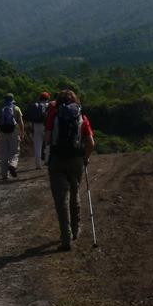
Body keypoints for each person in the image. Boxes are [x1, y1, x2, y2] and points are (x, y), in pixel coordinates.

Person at [44, 89, 95, 251]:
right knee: (74, 193)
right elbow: (91, 143)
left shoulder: (54, 115)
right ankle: (76, 229)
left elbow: (46, 139)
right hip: (76, 160)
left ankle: (65, 237)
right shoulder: (81, 116)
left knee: (61, 200)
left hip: (57, 159)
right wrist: (85, 158)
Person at [0, 93, 24, 180]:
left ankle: (4, 175)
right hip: (14, 132)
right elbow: (20, 122)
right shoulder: (16, 108)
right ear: (13, 100)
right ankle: (12, 165)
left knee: (4, 153)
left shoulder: (0, 110)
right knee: (15, 151)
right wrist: (22, 133)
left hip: (2, 132)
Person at [25, 92, 51, 169]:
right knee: (48, 144)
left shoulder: (36, 106)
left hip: (36, 126)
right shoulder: (49, 105)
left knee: (37, 146)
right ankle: (47, 161)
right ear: (47, 98)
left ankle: (38, 165)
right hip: (46, 126)